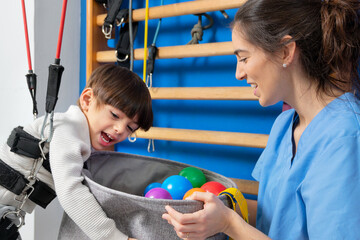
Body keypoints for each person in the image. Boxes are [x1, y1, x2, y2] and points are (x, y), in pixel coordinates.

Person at [162, 0, 360, 239]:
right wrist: (220, 210)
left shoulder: (346, 138)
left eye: (244, 58)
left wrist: (230, 224)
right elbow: (273, 217)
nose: (239, 73)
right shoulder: (284, 125)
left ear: (285, 52)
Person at [0, 64, 153, 240]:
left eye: (130, 127)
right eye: (115, 115)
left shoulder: (76, 136)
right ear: (87, 100)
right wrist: (114, 237)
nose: (120, 129)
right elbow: (71, 192)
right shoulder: (68, 130)